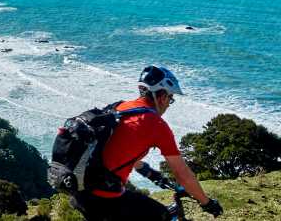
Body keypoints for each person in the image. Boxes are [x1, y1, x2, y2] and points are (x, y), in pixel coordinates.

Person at [70, 65, 223, 220]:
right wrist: (206, 203)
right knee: (162, 216)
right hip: (103, 197)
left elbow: (119, 149)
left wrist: (151, 173)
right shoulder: (156, 125)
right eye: (170, 99)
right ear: (162, 97)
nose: (169, 103)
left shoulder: (120, 107)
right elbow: (182, 173)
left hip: (81, 191)